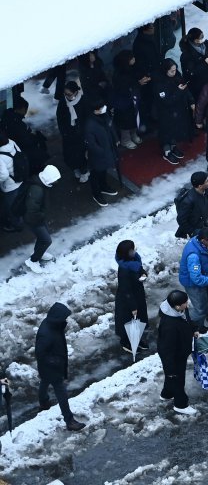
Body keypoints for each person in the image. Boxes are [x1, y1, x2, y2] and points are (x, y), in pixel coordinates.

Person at [35, 302, 85, 431]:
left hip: (49, 367)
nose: (65, 320)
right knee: (61, 392)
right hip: (52, 367)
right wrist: (56, 361)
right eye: (64, 317)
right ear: (57, 317)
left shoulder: (53, 326)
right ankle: (69, 421)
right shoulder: (46, 333)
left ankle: (44, 402)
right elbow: (40, 353)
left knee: (44, 382)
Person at [157, 290, 197, 415]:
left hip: (180, 351)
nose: (188, 304)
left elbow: (187, 320)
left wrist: (193, 330)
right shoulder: (169, 325)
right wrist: (170, 370)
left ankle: (167, 394)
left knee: (173, 379)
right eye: (185, 303)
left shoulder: (180, 310)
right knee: (177, 379)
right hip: (174, 357)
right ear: (177, 306)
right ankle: (181, 404)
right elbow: (166, 349)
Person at [152, 60, 192, 165]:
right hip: (165, 113)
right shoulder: (159, 83)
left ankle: (174, 147)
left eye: (175, 70)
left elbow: (185, 89)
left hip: (178, 110)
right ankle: (167, 152)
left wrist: (190, 100)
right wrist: (179, 91)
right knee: (166, 133)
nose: (174, 72)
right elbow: (166, 101)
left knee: (175, 131)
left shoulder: (177, 76)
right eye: (171, 71)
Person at [114, 239, 150, 352]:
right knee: (129, 321)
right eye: (131, 250)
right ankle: (126, 342)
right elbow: (126, 290)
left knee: (138, 320)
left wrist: (143, 273)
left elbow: (139, 269)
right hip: (128, 300)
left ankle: (136, 340)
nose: (134, 251)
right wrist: (133, 307)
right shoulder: (124, 269)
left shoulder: (133, 260)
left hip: (137, 295)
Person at [178, 228, 208, 333]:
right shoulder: (193, 256)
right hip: (193, 285)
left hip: (197, 280)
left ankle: (200, 325)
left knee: (203, 305)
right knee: (200, 310)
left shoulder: (197, 242)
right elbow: (196, 278)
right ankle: (185, 323)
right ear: (204, 240)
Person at [83, 100, 120, 207]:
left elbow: (111, 127)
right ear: (96, 110)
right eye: (102, 106)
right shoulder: (89, 125)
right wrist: (103, 152)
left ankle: (103, 186)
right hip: (98, 155)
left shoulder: (104, 116)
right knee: (95, 174)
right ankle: (96, 193)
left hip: (107, 151)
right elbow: (92, 144)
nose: (104, 107)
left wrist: (115, 139)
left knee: (103, 171)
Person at [22, 166, 59, 272]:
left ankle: (38, 253)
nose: (55, 181)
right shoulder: (37, 190)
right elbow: (31, 211)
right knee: (47, 240)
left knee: (42, 238)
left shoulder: (41, 183)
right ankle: (33, 261)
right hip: (34, 220)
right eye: (54, 179)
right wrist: (41, 217)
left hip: (38, 218)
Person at [56, 81, 88, 181]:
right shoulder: (63, 102)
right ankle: (75, 168)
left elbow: (87, 118)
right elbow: (60, 118)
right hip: (68, 133)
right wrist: (64, 132)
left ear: (75, 92)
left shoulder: (83, 101)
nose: (66, 96)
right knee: (70, 154)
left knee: (82, 154)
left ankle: (84, 171)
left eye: (69, 94)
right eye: (65, 94)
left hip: (81, 133)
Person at [174, 171, 208, 239]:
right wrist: (193, 232)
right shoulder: (188, 201)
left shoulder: (206, 189)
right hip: (198, 229)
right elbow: (181, 219)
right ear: (200, 186)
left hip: (206, 223)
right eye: (207, 181)